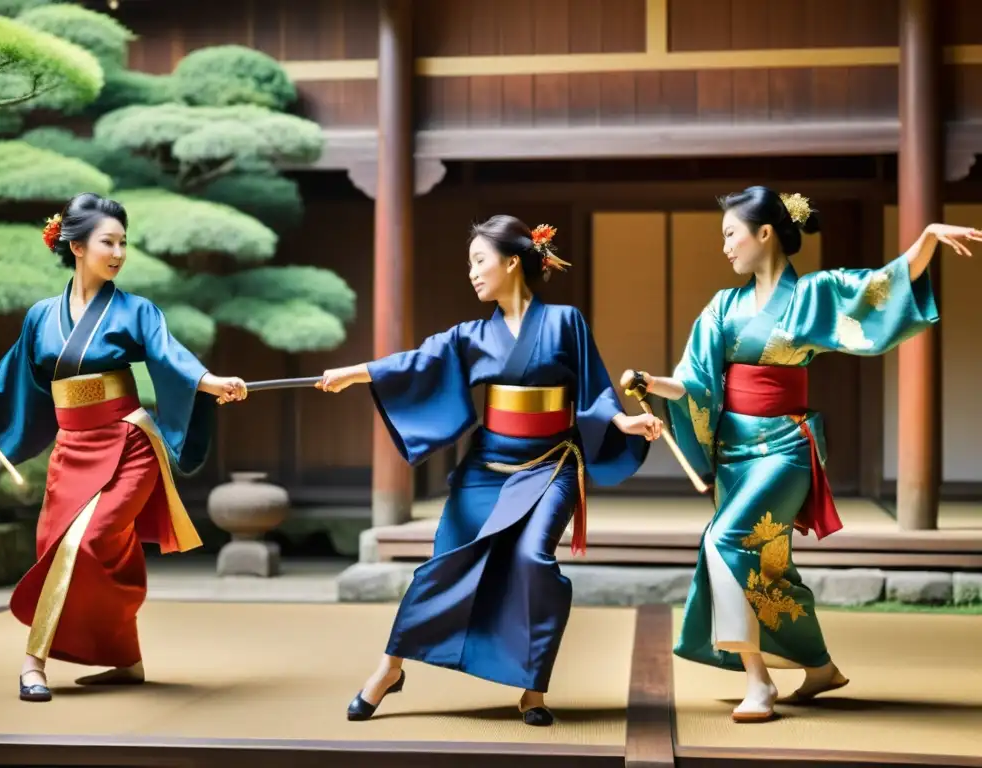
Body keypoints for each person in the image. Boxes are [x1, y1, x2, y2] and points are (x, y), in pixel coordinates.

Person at [635, 186, 978, 723]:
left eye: (731, 234)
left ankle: (759, 683)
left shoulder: (812, 293)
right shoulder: (723, 306)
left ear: (764, 233)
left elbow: (875, 288)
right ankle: (819, 667)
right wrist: (654, 382)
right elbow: (696, 382)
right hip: (735, 451)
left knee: (723, 542)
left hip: (786, 446)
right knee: (770, 566)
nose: (725, 246)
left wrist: (927, 239)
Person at [318, 215, 661, 726]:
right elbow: (417, 362)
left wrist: (623, 422)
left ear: (512, 261)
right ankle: (390, 668)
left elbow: (595, 388)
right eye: (470, 264)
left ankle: (532, 686)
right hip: (488, 466)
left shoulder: (565, 321)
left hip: (551, 466)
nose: (473, 273)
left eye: (480, 261)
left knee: (531, 559)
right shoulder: (471, 334)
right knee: (444, 561)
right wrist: (355, 373)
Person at [0, 193, 249, 703]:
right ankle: (127, 659)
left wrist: (209, 381)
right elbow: (15, 372)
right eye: (107, 242)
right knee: (62, 548)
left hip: (128, 443)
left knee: (89, 542)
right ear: (76, 246)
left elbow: (169, 356)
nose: (117, 252)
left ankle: (33, 662)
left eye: (123, 243)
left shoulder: (137, 310)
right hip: (71, 449)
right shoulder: (41, 316)